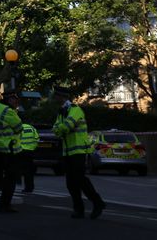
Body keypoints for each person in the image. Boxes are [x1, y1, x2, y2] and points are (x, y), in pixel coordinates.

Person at [52, 86, 106, 219]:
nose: (54, 98)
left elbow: (65, 127)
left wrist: (61, 129)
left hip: (79, 150)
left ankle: (97, 203)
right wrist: (60, 129)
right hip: (68, 152)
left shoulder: (75, 110)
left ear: (62, 97)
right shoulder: (61, 112)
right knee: (71, 183)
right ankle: (79, 209)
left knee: (80, 179)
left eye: (56, 96)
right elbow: (55, 129)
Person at [17, 122, 39, 193]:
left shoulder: (19, 128)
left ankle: (16, 184)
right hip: (30, 152)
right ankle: (30, 187)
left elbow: (15, 139)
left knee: (17, 168)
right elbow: (37, 138)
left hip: (21, 151)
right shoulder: (31, 128)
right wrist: (33, 147)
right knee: (29, 171)